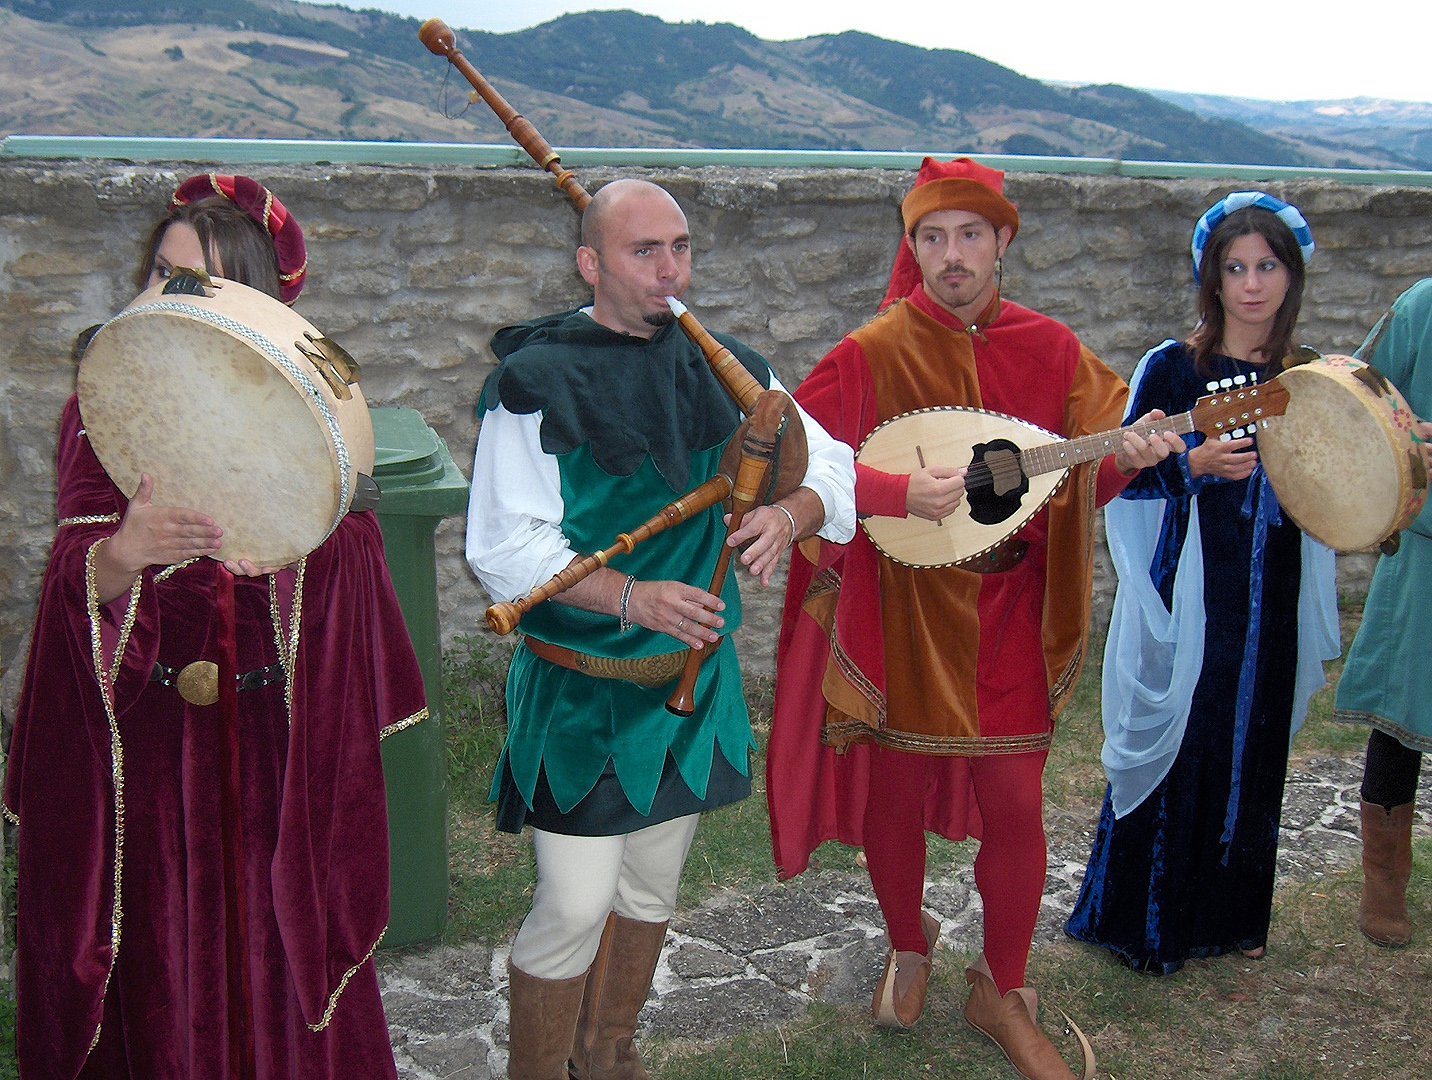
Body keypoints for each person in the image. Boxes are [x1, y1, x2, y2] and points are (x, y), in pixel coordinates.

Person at [3, 174, 427, 1080]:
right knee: (158, 960)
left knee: (275, 954)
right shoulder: (102, 401)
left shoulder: (312, 413)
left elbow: (355, 546)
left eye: (190, 279)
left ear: (251, 299)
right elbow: (72, 580)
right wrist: (124, 553)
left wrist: (294, 553)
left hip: (273, 755)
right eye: (159, 271)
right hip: (151, 762)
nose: (162, 293)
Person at [767, 157, 1182, 1080]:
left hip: (1011, 615)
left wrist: (1140, 455)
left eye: (969, 235)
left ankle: (1003, 984)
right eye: (931, 237)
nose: (951, 256)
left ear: (1002, 241)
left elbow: (1089, 466)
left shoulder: (1054, 349)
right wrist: (891, 488)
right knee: (897, 795)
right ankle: (908, 947)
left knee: (1017, 803)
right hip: (905, 612)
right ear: (911, 247)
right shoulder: (873, 350)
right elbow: (796, 454)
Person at [465, 178, 855, 1080]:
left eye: (680, 247)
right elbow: (505, 547)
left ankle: (606, 1054)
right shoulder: (534, 379)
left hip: (691, 683)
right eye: (645, 251)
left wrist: (790, 514)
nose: (669, 268)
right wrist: (632, 597)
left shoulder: (730, 366)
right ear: (590, 262)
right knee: (572, 903)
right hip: (580, 682)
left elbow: (830, 463)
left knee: (651, 885)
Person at [1064, 191, 1340, 975]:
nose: (1252, 284)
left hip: (1272, 594)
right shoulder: (1174, 367)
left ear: (1291, 276)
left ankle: (1234, 914)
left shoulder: (1309, 373)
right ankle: (1151, 922)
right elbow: (1121, 474)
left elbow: (1331, 478)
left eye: (1267, 267)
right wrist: (1194, 465)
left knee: (1255, 745)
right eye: (1235, 268)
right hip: (1195, 593)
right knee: (1187, 739)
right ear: (1211, 279)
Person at [1334, 277, 1432, 949]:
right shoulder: (1423, 307)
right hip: (1426, 554)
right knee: (1402, 716)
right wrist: (1411, 444)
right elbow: (1355, 401)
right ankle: (1384, 878)